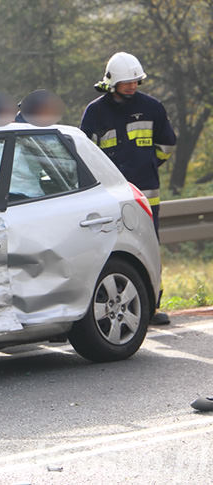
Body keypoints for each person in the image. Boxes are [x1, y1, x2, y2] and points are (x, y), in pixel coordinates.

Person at [80, 52, 176, 325]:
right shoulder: (95, 112)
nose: (132, 86)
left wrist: (148, 164)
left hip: (145, 195)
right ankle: (101, 305)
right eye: (126, 82)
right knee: (106, 251)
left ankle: (152, 306)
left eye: (135, 81)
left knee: (148, 248)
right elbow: (85, 154)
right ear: (111, 82)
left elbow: (167, 144)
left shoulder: (153, 107)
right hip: (107, 197)